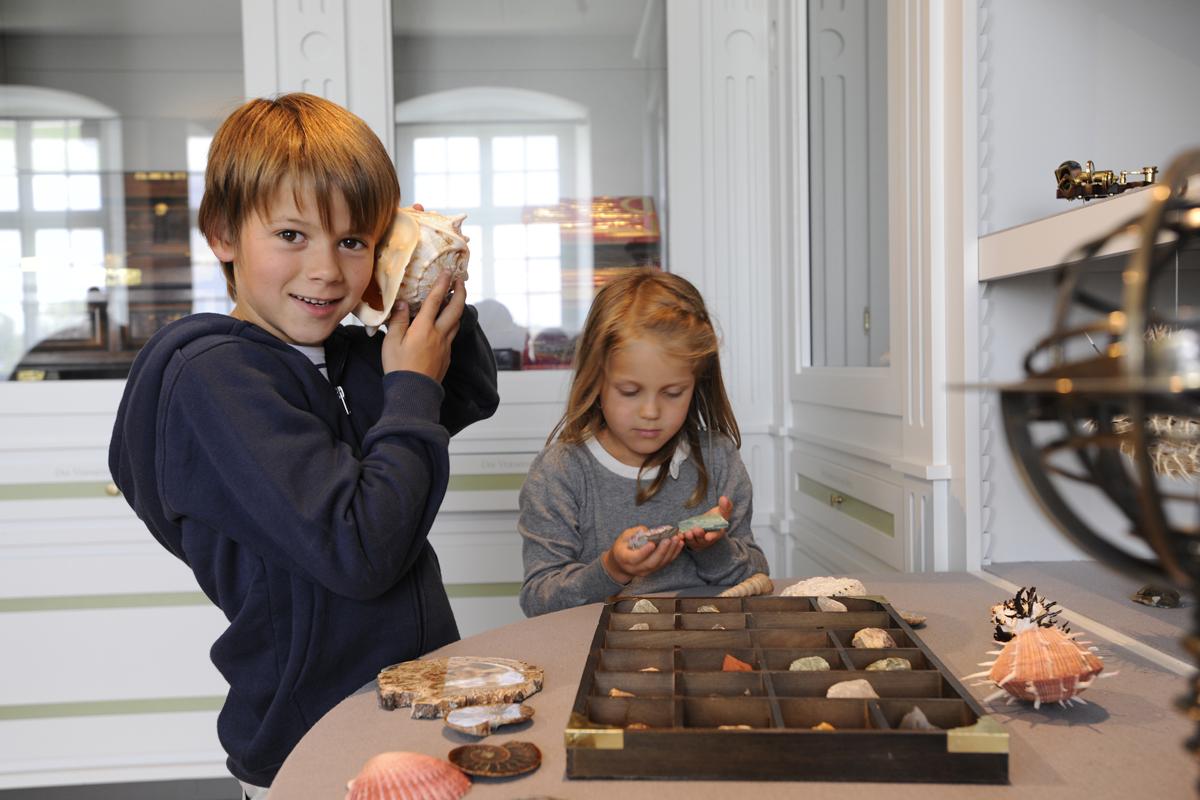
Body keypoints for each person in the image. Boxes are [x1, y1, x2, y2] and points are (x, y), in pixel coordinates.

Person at [107, 93, 498, 795]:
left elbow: (463, 396)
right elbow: (360, 551)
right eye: (292, 235)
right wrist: (410, 382)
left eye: (353, 241)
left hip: (412, 706)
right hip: (313, 738)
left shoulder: (343, 356)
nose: (325, 269)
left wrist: (427, 276)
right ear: (223, 234)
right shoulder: (216, 377)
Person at [519, 268, 768, 616]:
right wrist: (612, 570)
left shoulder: (718, 459)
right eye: (630, 391)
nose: (651, 412)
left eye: (673, 393)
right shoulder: (559, 472)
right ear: (596, 379)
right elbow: (539, 600)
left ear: (697, 384)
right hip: (598, 653)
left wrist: (714, 548)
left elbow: (757, 578)